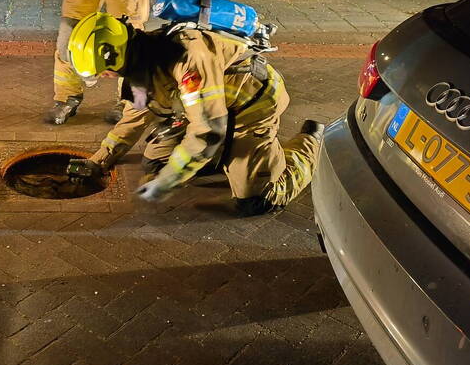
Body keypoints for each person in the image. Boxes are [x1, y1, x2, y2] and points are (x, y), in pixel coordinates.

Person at [66, 12, 324, 214]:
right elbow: (135, 116)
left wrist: (167, 182)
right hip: (207, 112)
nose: (104, 77)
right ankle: (221, 157)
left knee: (254, 201)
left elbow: (209, 131)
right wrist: (99, 159)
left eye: (103, 72)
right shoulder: (139, 63)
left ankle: (310, 143)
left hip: (250, 107)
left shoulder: (189, 59)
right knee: (157, 162)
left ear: (114, 56)